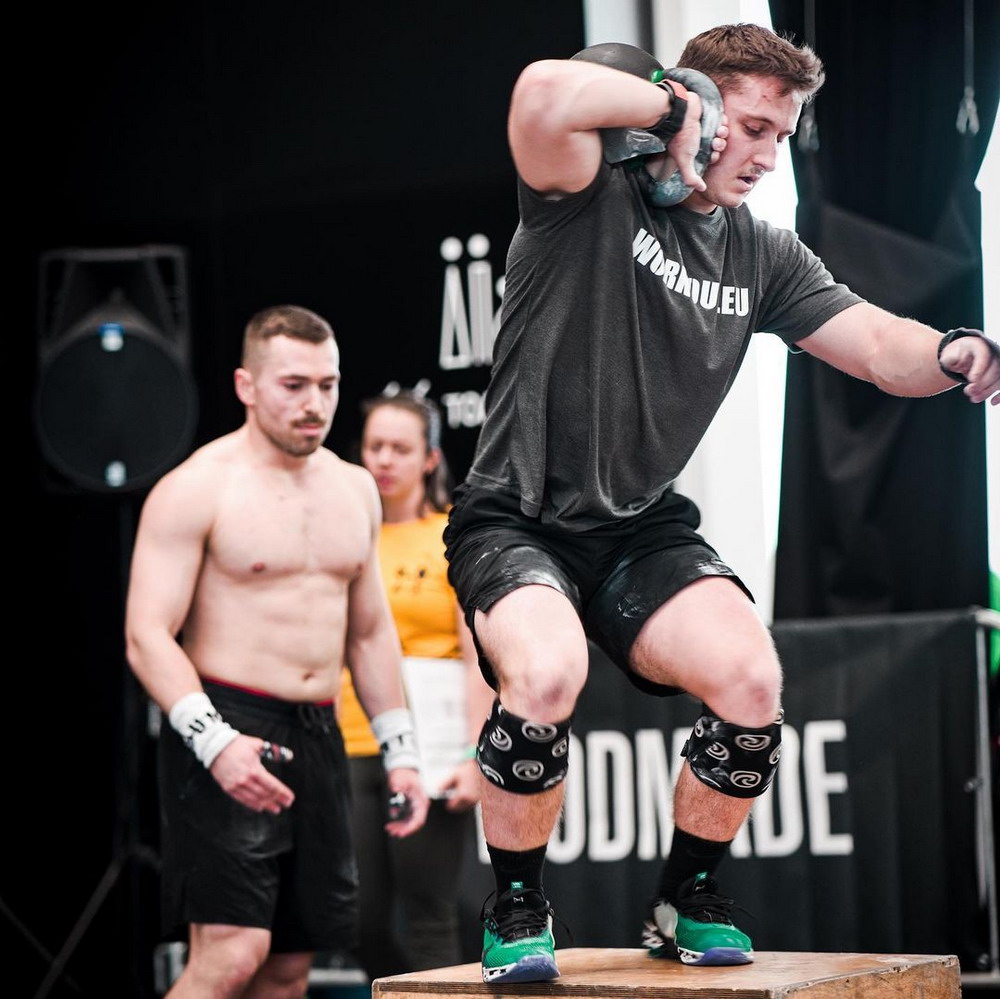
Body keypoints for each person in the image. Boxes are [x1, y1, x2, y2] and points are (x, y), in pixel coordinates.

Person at [442, 23, 1000, 986]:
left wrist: (955, 351)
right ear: (694, 105)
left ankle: (682, 897)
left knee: (750, 682)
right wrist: (670, 110)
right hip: (518, 515)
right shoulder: (585, 193)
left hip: (639, 527)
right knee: (545, 674)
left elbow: (877, 347)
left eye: (782, 136)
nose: (768, 156)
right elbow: (540, 94)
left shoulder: (761, 254)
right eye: (752, 128)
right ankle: (516, 906)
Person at [124, 304, 430, 999]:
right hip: (227, 721)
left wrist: (402, 749)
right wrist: (214, 742)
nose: (314, 403)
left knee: (290, 970)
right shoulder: (197, 487)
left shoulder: (354, 487)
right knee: (231, 956)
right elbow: (146, 634)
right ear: (246, 385)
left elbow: (368, 631)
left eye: (327, 384)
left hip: (319, 729)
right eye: (294, 385)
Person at [336, 387, 495, 982]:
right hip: (351, 743)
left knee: (430, 915)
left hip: (431, 751)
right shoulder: (345, 535)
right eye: (374, 446)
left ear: (429, 458)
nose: (384, 459)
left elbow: (477, 658)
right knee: (356, 921)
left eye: (400, 448)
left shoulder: (450, 536)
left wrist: (473, 757)